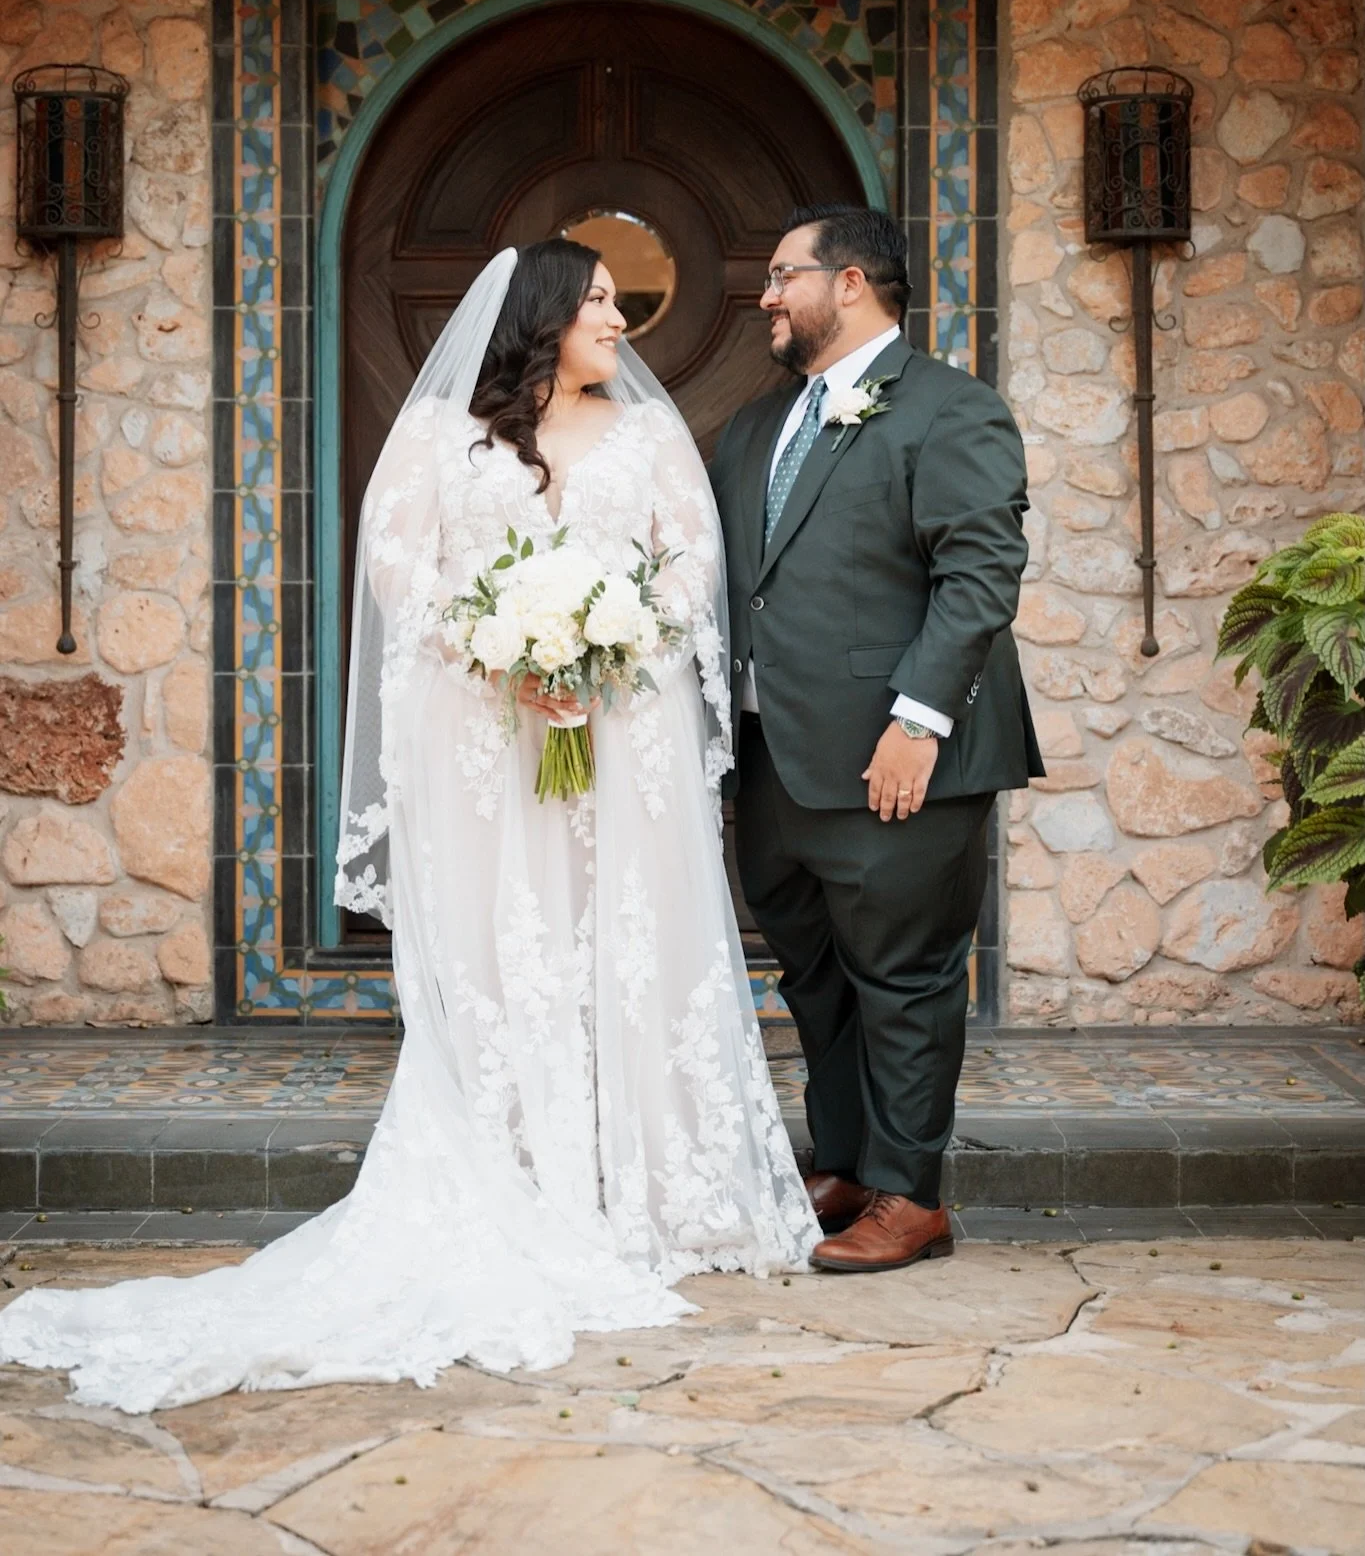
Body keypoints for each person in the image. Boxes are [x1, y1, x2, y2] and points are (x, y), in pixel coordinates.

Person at [0, 241, 818, 1411]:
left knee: (624, 943)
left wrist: (614, 636)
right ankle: (523, 1170)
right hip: (488, 733)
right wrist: (505, 649)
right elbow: (400, 571)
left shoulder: (650, 438)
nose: (621, 319)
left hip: (617, 732)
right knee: (510, 947)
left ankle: (647, 1189)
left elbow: (694, 568)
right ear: (543, 314)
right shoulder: (441, 438)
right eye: (597, 301)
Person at [710, 205, 1043, 1274]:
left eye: (781, 274)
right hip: (778, 761)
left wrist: (918, 718)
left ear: (849, 282)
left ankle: (913, 1193)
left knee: (903, 975)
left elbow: (979, 574)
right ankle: (849, 1162)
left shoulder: (953, 408)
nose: (766, 294)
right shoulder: (756, 427)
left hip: (902, 757)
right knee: (815, 974)